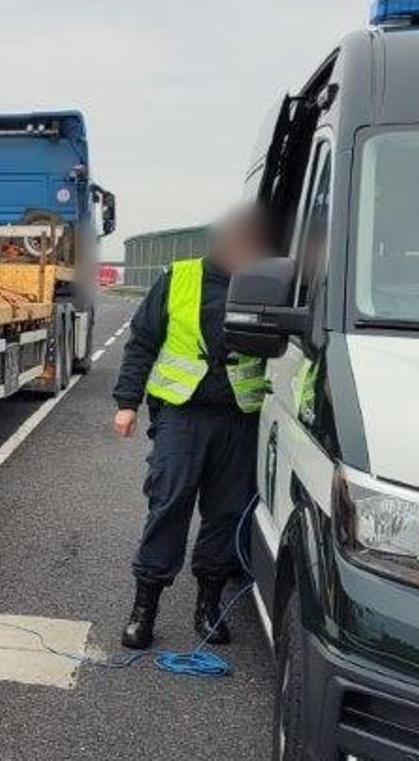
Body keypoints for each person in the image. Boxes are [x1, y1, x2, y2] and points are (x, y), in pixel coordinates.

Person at [110, 204, 271, 650]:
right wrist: (127, 402)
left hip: (240, 416)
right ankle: (144, 610)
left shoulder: (266, 282)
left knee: (226, 513)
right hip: (183, 414)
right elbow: (143, 341)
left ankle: (209, 607)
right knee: (169, 504)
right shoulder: (179, 276)